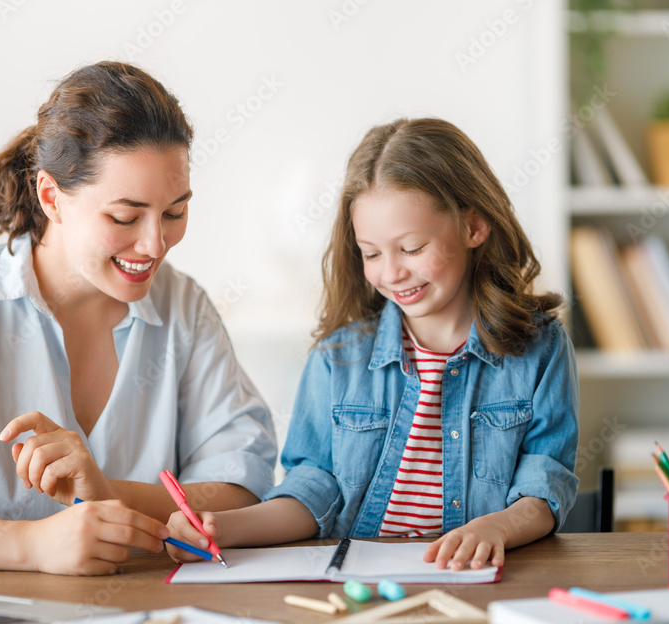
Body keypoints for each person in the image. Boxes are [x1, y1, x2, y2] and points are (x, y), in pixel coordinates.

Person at [0, 61, 277, 576]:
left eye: (175, 212)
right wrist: (30, 546)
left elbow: (241, 489)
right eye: (124, 217)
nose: (155, 244)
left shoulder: (185, 310)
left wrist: (107, 491)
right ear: (52, 197)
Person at [167, 117, 578, 571]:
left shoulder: (540, 348)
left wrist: (496, 527)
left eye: (413, 248)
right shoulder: (337, 358)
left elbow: (544, 485)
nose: (392, 273)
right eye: (372, 253)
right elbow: (314, 490)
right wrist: (224, 527)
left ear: (474, 227)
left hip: (477, 583)